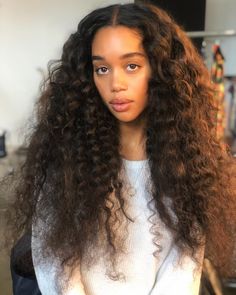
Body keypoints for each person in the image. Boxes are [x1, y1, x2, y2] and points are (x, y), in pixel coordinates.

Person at [6, 2, 236, 295]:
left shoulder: (188, 161)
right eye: (102, 68)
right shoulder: (69, 158)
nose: (115, 83)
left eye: (132, 66)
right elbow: (54, 263)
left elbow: (185, 261)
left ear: (161, 70)